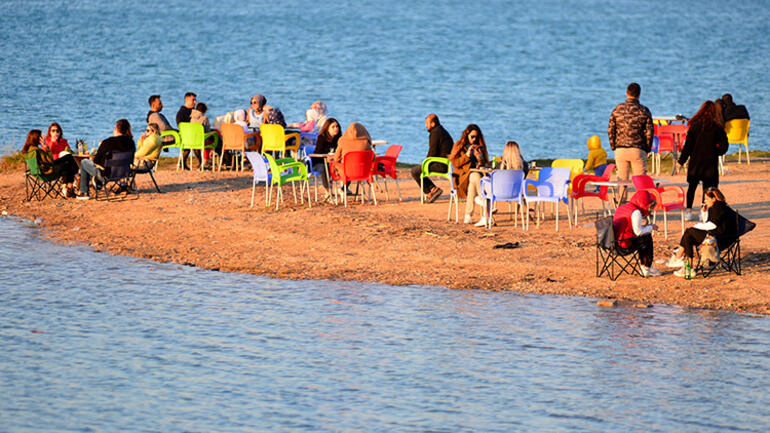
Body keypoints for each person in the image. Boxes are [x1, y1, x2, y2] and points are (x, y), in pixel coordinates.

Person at [665, 187, 737, 277]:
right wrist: (704, 212)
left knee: (689, 233)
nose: (705, 201)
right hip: (716, 234)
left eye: (707, 199)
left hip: (718, 238)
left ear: (713, 198)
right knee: (689, 235)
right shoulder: (717, 206)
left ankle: (680, 259)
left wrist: (695, 226)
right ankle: (686, 265)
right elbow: (707, 222)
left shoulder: (717, 208)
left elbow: (712, 225)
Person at [676, 100, 728, 220]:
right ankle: (703, 211)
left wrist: (681, 162)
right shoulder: (717, 127)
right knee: (708, 188)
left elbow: (688, 146)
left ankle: (688, 211)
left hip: (696, 162)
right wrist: (717, 152)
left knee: (692, 187)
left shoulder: (695, 125)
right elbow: (725, 145)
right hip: (710, 162)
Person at [608, 82, 654, 201]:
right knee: (641, 184)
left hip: (620, 149)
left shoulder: (617, 109)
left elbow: (611, 130)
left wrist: (614, 146)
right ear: (639, 95)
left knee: (622, 182)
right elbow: (650, 132)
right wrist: (647, 149)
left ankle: (622, 208)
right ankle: (641, 207)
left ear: (627, 93)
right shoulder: (644, 110)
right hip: (637, 149)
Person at [470, 140, 529, 227]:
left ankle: (486, 217)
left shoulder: (500, 165)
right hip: (516, 193)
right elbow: (523, 178)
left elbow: (492, 177)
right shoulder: (524, 165)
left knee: (485, 184)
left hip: (498, 193)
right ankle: (485, 214)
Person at [77, 119, 136, 199]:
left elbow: (97, 162)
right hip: (125, 173)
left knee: (84, 162)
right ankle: (97, 184)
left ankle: (84, 192)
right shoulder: (131, 143)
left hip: (107, 175)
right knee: (98, 166)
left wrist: (92, 158)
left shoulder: (108, 142)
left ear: (116, 128)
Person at [612, 190, 661, 277]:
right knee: (646, 237)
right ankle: (646, 267)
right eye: (648, 205)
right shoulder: (636, 212)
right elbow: (638, 232)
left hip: (613, 244)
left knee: (643, 236)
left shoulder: (623, 207)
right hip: (623, 245)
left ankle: (646, 266)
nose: (649, 208)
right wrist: (651, 227)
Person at [22, 129, 78, 198]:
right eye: (40, 136)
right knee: (67, 165)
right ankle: (73, 183)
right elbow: (50, 160)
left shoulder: (27, 150)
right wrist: (45, 146)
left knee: (68, 157)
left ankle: (70, 186)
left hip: (38, 171)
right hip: (47, 172)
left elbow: (46, 161)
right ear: (36, 138)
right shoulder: (36, 150)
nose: (43, 137)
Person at [411, 114, 454, 203]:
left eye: (427, 123)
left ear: (433, 123)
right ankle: (432, 189)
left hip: (442, 165)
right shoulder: (441, 131)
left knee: (415, 171)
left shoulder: (435, 133)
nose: (426, 125)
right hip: (447, 163)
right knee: (418, 170)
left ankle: (432, 190)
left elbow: (432, 152)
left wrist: (424, 163)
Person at [449, 123, 489, 202]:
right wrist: (467, 155)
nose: (474, 139)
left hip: (475, 175)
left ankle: (481, 206)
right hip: (462, 178)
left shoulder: (479, 146)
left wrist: (479, 157)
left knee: (482, 177)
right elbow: (455, 164)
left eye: (476, 137)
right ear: (466, 135)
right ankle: (483, 200)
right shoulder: (459, 145)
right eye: (472, 137)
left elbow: (485, 165)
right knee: (475, 176)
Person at [311, 118, 341, 198]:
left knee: (346, 165)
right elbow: (318, 153)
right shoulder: (322, 137)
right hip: (319, 162)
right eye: (333, 127)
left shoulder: (339, 139)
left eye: (337, 126)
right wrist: (327, 157)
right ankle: (328, 190)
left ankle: (344, 188)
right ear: (327, 128)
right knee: (325, 168)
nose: (336, 128)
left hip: (333, 161)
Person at [176, 92, 200, 169]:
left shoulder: (195, 111)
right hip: (187, 135)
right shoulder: (181, 112)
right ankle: (201, 162)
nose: (195, 102)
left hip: (195, 134)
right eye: (193, 100)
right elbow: (180, 125)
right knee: (192, 144)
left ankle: (182, 163)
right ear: (186, 100)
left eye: (195, 100)